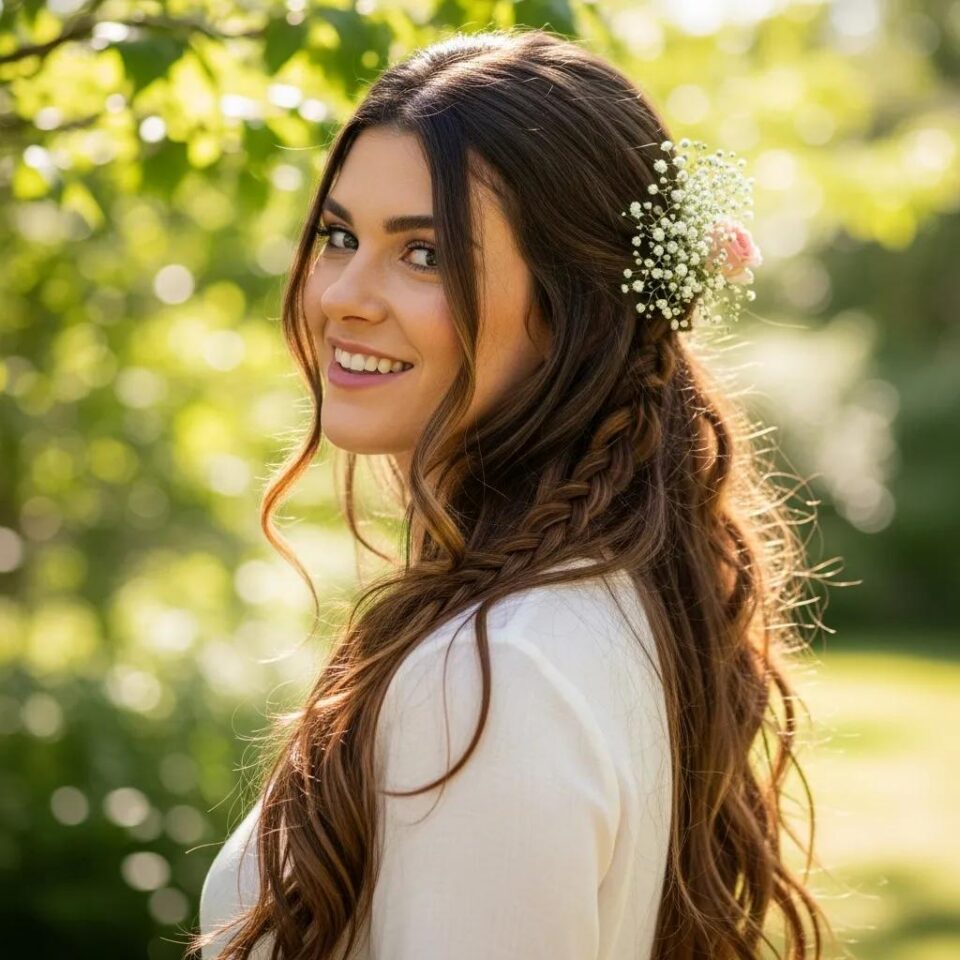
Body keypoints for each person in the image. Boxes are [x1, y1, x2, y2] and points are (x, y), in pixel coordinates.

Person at [189, 26, 838, 960]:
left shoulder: (494, 677)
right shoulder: (588, 604)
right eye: (339, 236)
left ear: (569, 311)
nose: (341, 296)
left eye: (425, 254)